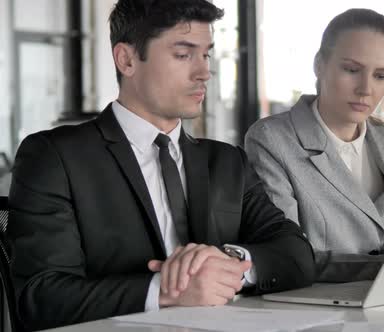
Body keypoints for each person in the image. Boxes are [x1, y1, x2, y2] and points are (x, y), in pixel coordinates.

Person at [7, 0, 314, 330]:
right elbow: (41, 297)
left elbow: (296, 254)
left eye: (206, 54)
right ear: (126, 60)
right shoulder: (55, 157)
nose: (203, 72)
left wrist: (229, 264)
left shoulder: (226, 161)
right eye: (183, 55)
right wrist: (168, 291)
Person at [245, 8, 384, 282]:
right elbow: (288, 254)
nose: (366, 89)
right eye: (352, 70)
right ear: (319, 65)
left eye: (381, 75)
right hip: (320, 310)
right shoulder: (273, 139)